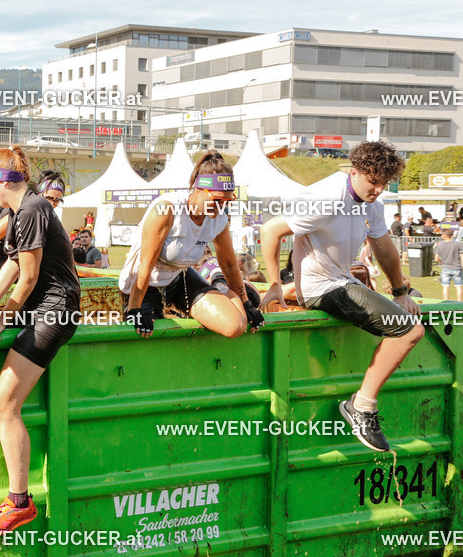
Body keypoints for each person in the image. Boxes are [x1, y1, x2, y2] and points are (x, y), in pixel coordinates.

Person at [259, 141, 423, 453]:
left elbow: (384, 248)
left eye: (384, 184)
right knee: (410, 330)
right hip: (321, 287)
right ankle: (362, 406)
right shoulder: (326, 197)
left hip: (341, 281)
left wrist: (401, 292)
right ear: (355, 172)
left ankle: (361, 404)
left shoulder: (372, 203)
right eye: (374, 182)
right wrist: (275, 284)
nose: (379, 190)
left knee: (406, 323)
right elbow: (269, 231)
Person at [0, 146, 81, 533]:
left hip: (54, 311)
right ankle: (19, 500)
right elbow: (15, 263)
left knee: (3, 405)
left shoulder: (32, 209)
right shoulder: (22, 210)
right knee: (1, 401)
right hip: (42, 308)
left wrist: (1, 318)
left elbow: (30, 277)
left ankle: (19, 502)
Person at [118, 151, 264, 341]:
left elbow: (229, 264)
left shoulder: (219, 218)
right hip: (144, 284)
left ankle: (219, 284)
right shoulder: (167, 209)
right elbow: (145, 263)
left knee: (235, 325)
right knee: (150, 341)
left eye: (227, 201)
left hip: (179, 278)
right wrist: (134, 308)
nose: (221, 206)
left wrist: (246, 303)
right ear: (198, 189)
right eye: (217, 200)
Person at [434, 228, 463, 301]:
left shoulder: (440, 245)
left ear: (444, 235)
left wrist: (441, 262)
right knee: (458, 287)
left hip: (445, 268)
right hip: (456, 268)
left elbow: (436, 259)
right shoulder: (457, 244)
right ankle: (459, 302)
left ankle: (446, 301)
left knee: (445, 287)